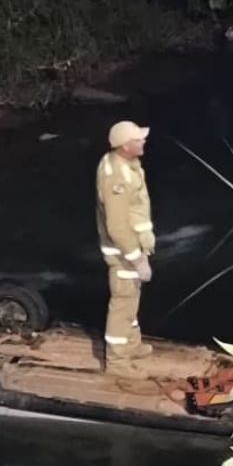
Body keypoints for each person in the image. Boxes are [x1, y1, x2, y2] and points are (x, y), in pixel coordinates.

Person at [96, 120, 156, 375]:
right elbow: (117, 226)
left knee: (131, 298)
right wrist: (136, 259)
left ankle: (132, 344)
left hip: (133, 248)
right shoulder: (116, 177)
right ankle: (118, 362)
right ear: (124, 146)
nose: (143, 141)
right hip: (123, 253)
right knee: (122, 303)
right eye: (138, 139)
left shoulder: (126, 165)